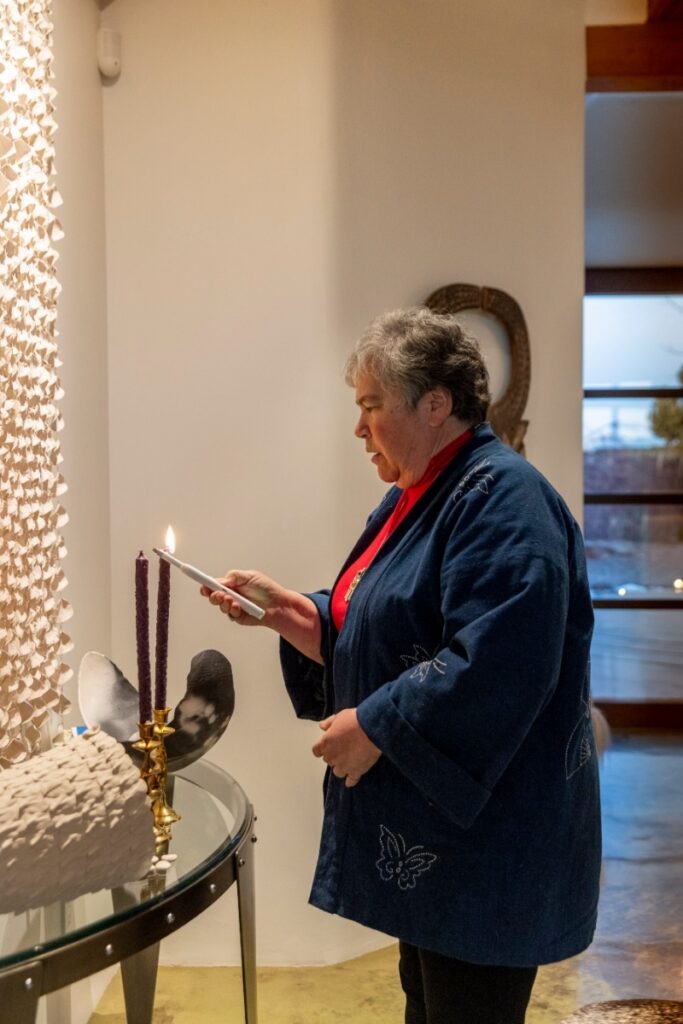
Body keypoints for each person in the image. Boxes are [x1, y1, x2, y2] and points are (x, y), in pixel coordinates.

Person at [201, 307, 601, 1024]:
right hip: (441, 838)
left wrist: (376, 724)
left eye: (371, 406)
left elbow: (500, 658)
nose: (359, 429)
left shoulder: (506, 500)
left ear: (434, 404)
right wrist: (296, 612)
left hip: (488, 840)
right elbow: (389, 624)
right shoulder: (419, 495)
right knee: (429, 1004)